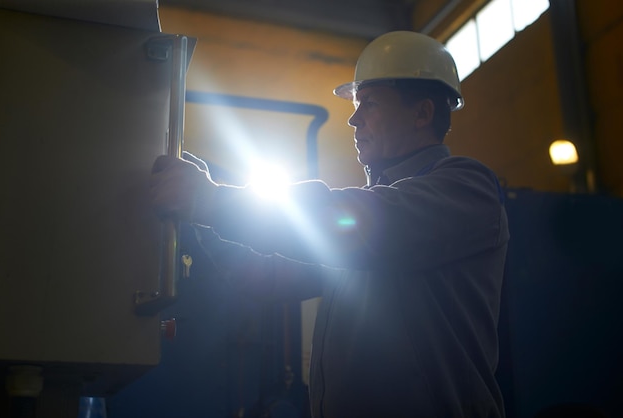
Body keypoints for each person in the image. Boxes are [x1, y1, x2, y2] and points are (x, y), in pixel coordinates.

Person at [150, 31, 509, 418]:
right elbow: (266, 276)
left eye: (369, 104)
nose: (353, 120)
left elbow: (357, 223)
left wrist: (212, 199)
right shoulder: (363, 226)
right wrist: (204, 217)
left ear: (422, 113)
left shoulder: (465, 189)